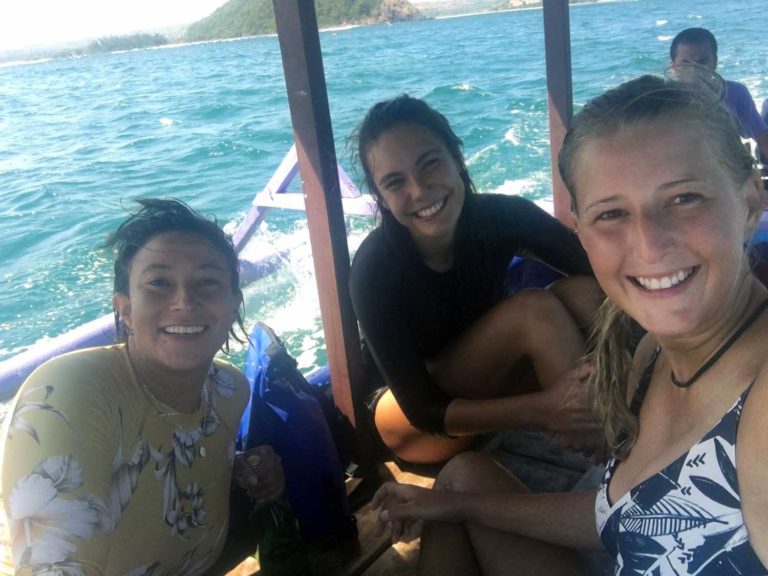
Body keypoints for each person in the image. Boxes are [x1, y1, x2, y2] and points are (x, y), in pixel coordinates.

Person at [371, 75, 768, 575]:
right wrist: (459, 498)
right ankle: (586, 433)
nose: (648, 244)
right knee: (462, 479)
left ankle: (589, 430)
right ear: (583, 229)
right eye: (612, 214)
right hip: (416, 412)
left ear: (751, 202)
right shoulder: (651, 360)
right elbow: (621, 514)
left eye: (684, 198)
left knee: (556, 303)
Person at [0, 199, 284, 575]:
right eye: (159, 283)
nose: (185, 300)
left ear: (233, 304)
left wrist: (247, 472)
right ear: (125, 309)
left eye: (208, 282)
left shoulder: (228, 389)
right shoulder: (73, 394)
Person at [349, 95, 603, 465]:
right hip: (412, 422)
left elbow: (598, 270)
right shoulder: (375, 268)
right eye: (394, 182)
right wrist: (542, 409)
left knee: (586, 294)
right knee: (533, 311)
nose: (419, 191)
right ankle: (606, 461)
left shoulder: (500, 216)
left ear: (456, 157)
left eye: (430, 163)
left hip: (490, 388)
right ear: (382, 199)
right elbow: (425, 411)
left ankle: (620, 417)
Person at [668, 27, 768, 155]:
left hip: (727, 168)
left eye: (702, 61)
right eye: (686, 62)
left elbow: (763, 138)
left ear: (714, 62)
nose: (695, 68)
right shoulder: (663, 100)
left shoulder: (736, 93)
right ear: (673, 66)